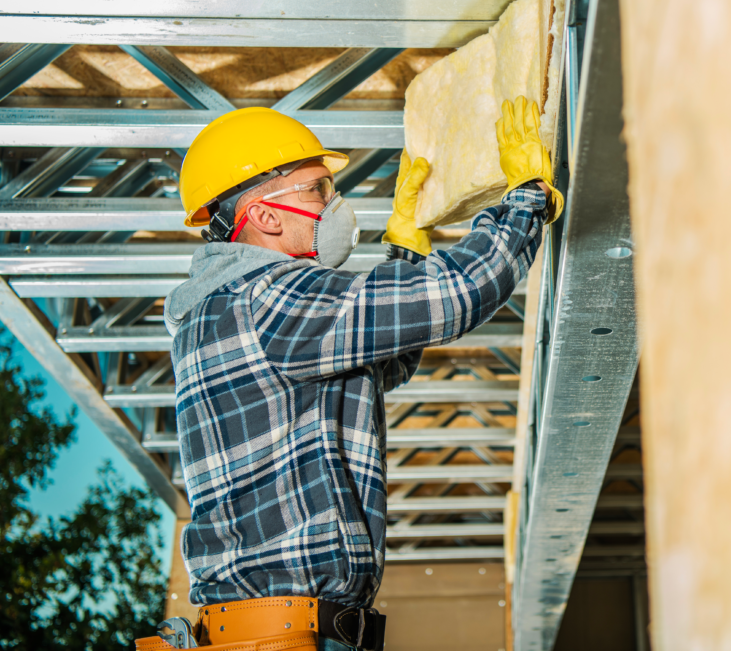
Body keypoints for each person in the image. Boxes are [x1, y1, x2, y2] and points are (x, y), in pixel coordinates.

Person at [134, 97, 562, 651]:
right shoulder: (265, 298)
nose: (333, 203)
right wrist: (526, 197)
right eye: (317, 190)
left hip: (280, 630)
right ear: (265, 216)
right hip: (287, 633)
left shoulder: (229, 309)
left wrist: (405, 256)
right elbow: (458, 293)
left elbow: (375, 367)